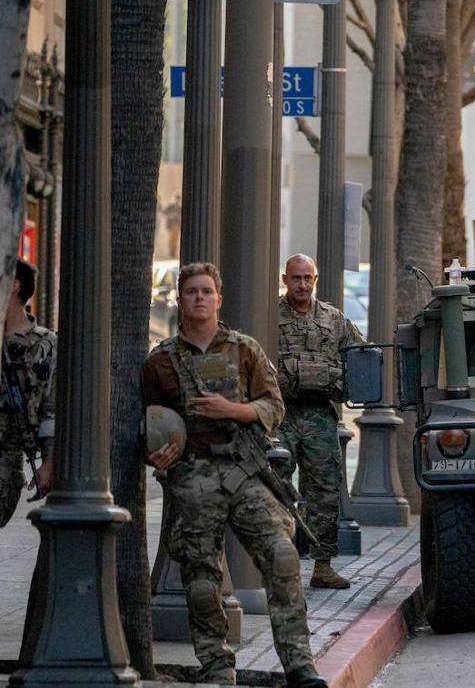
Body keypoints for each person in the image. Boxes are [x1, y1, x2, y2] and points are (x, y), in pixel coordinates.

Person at [143, 262, 326, 688]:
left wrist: (235, 411)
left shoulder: (245, 350)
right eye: (191, 292)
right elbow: (150, 422)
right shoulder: (161, 363)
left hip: (245, 469)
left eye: (207, 291)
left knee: (282, 557)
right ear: (180, 300)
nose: (200, 298)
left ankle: (299, 665)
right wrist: (159, 452)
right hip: (193, 474)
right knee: (202, 579)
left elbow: (273, 404)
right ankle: (217, 667)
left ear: (219, 299)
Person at [276, 254, 364, 589]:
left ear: (315, 280)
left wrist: (339, 381)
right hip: (279, 416)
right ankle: (278, 564)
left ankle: (322, 566)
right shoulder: (270, 315)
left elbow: (361, 356)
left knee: (325, 491)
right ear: (285, 279)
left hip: (319, 416)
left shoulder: (333, 319)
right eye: (295, 278)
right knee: (276, 489)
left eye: (307, 278)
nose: (301, 284)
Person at [0, 259, 54, 526]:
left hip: (8, 460)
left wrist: (48, 461)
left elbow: (51, 408)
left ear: (14, 285)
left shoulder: (44, 344)